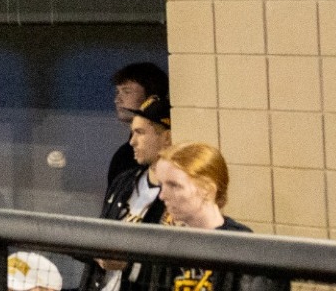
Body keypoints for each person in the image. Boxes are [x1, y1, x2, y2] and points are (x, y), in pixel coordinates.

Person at [144, 144, 278, 291]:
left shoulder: (242, 245)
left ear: (207, 189)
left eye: (174, 186)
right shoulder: (170, 244)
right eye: (162, 185)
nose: (162, 195)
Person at [80, 97, 170, 291]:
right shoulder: (123, 182)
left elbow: (174, 264)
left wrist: (129, 263)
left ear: (167, 138)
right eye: (132, 132)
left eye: (140, 133)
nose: (132, 142)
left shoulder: (177, 197)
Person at [105, 61, 169, 185]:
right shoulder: (123, 155)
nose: (117, 100)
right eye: (117, 92)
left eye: (126, 91)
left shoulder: (173, 153)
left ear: (151, 96)